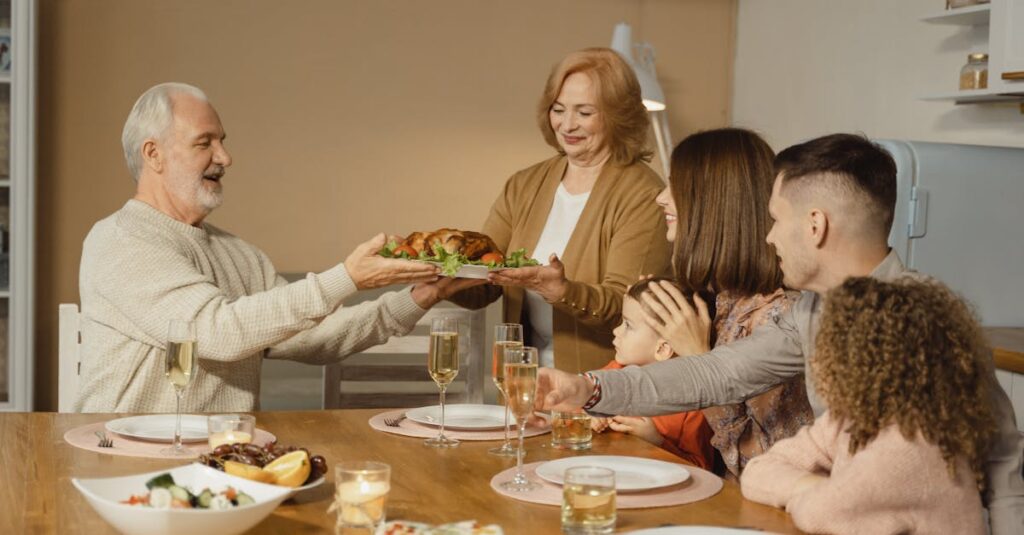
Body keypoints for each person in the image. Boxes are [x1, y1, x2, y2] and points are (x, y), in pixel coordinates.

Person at [536, 133, 1024, 533]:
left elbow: (1002, 457)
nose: (768, 237)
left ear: (814, 226)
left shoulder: (926, 319)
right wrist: (589, 389)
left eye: (775, 220)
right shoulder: (809, 310)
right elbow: (717, 374)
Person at [75, 82, 478, 413]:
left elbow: (315, 336)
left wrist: (422, 297)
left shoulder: (240, 254)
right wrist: (347, 278)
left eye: (223, 141)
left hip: (223, 461)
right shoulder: (121, 240)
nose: (225, 157)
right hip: (125, 458)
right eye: (204, 143)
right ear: (154, 154)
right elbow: (213, 332)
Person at [449, 47, 671, 373]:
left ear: (616, 115)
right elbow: (486, 276)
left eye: (584, 112)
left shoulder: (644, 195)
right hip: (524, 381)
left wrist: (562, 291)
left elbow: (626, 305)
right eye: (558, 109)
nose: (567, 124)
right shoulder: (524, 185)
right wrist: (442, 277)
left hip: (604, 390)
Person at [741, 277, 993, 534]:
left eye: (826, 348)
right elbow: (757, 472)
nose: (815, 361)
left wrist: (825, 494)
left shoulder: (909, 448)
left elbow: (816, 513)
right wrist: (821, 488)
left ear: (865, 365)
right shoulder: (848, 421)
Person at [640, 128, 813, 479]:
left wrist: (697, 358)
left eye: (676, 185)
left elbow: (763, 469)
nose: (660, 197)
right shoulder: (716, 303)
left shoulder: (777, 318)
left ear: (714, 204)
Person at [590, 277, 715, 470]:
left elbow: (701, 469)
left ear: (663, 348)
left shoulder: (694, 403)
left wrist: (656, 441)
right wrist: (589, 415)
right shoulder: (617, 370)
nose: (616, 331)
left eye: (628, 325)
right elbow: (572, 401)